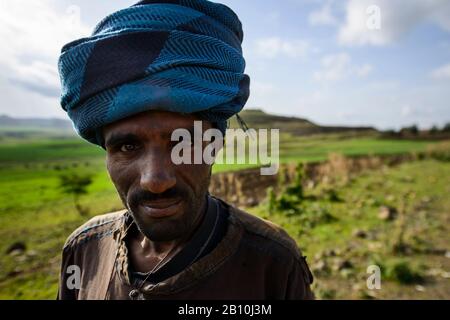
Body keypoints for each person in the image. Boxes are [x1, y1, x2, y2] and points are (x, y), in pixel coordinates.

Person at [57, 0, 313, 300]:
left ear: (214, 145)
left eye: (183, 143)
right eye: (127, 146)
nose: (155, 180)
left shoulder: (273, 262)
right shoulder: (83, 249)